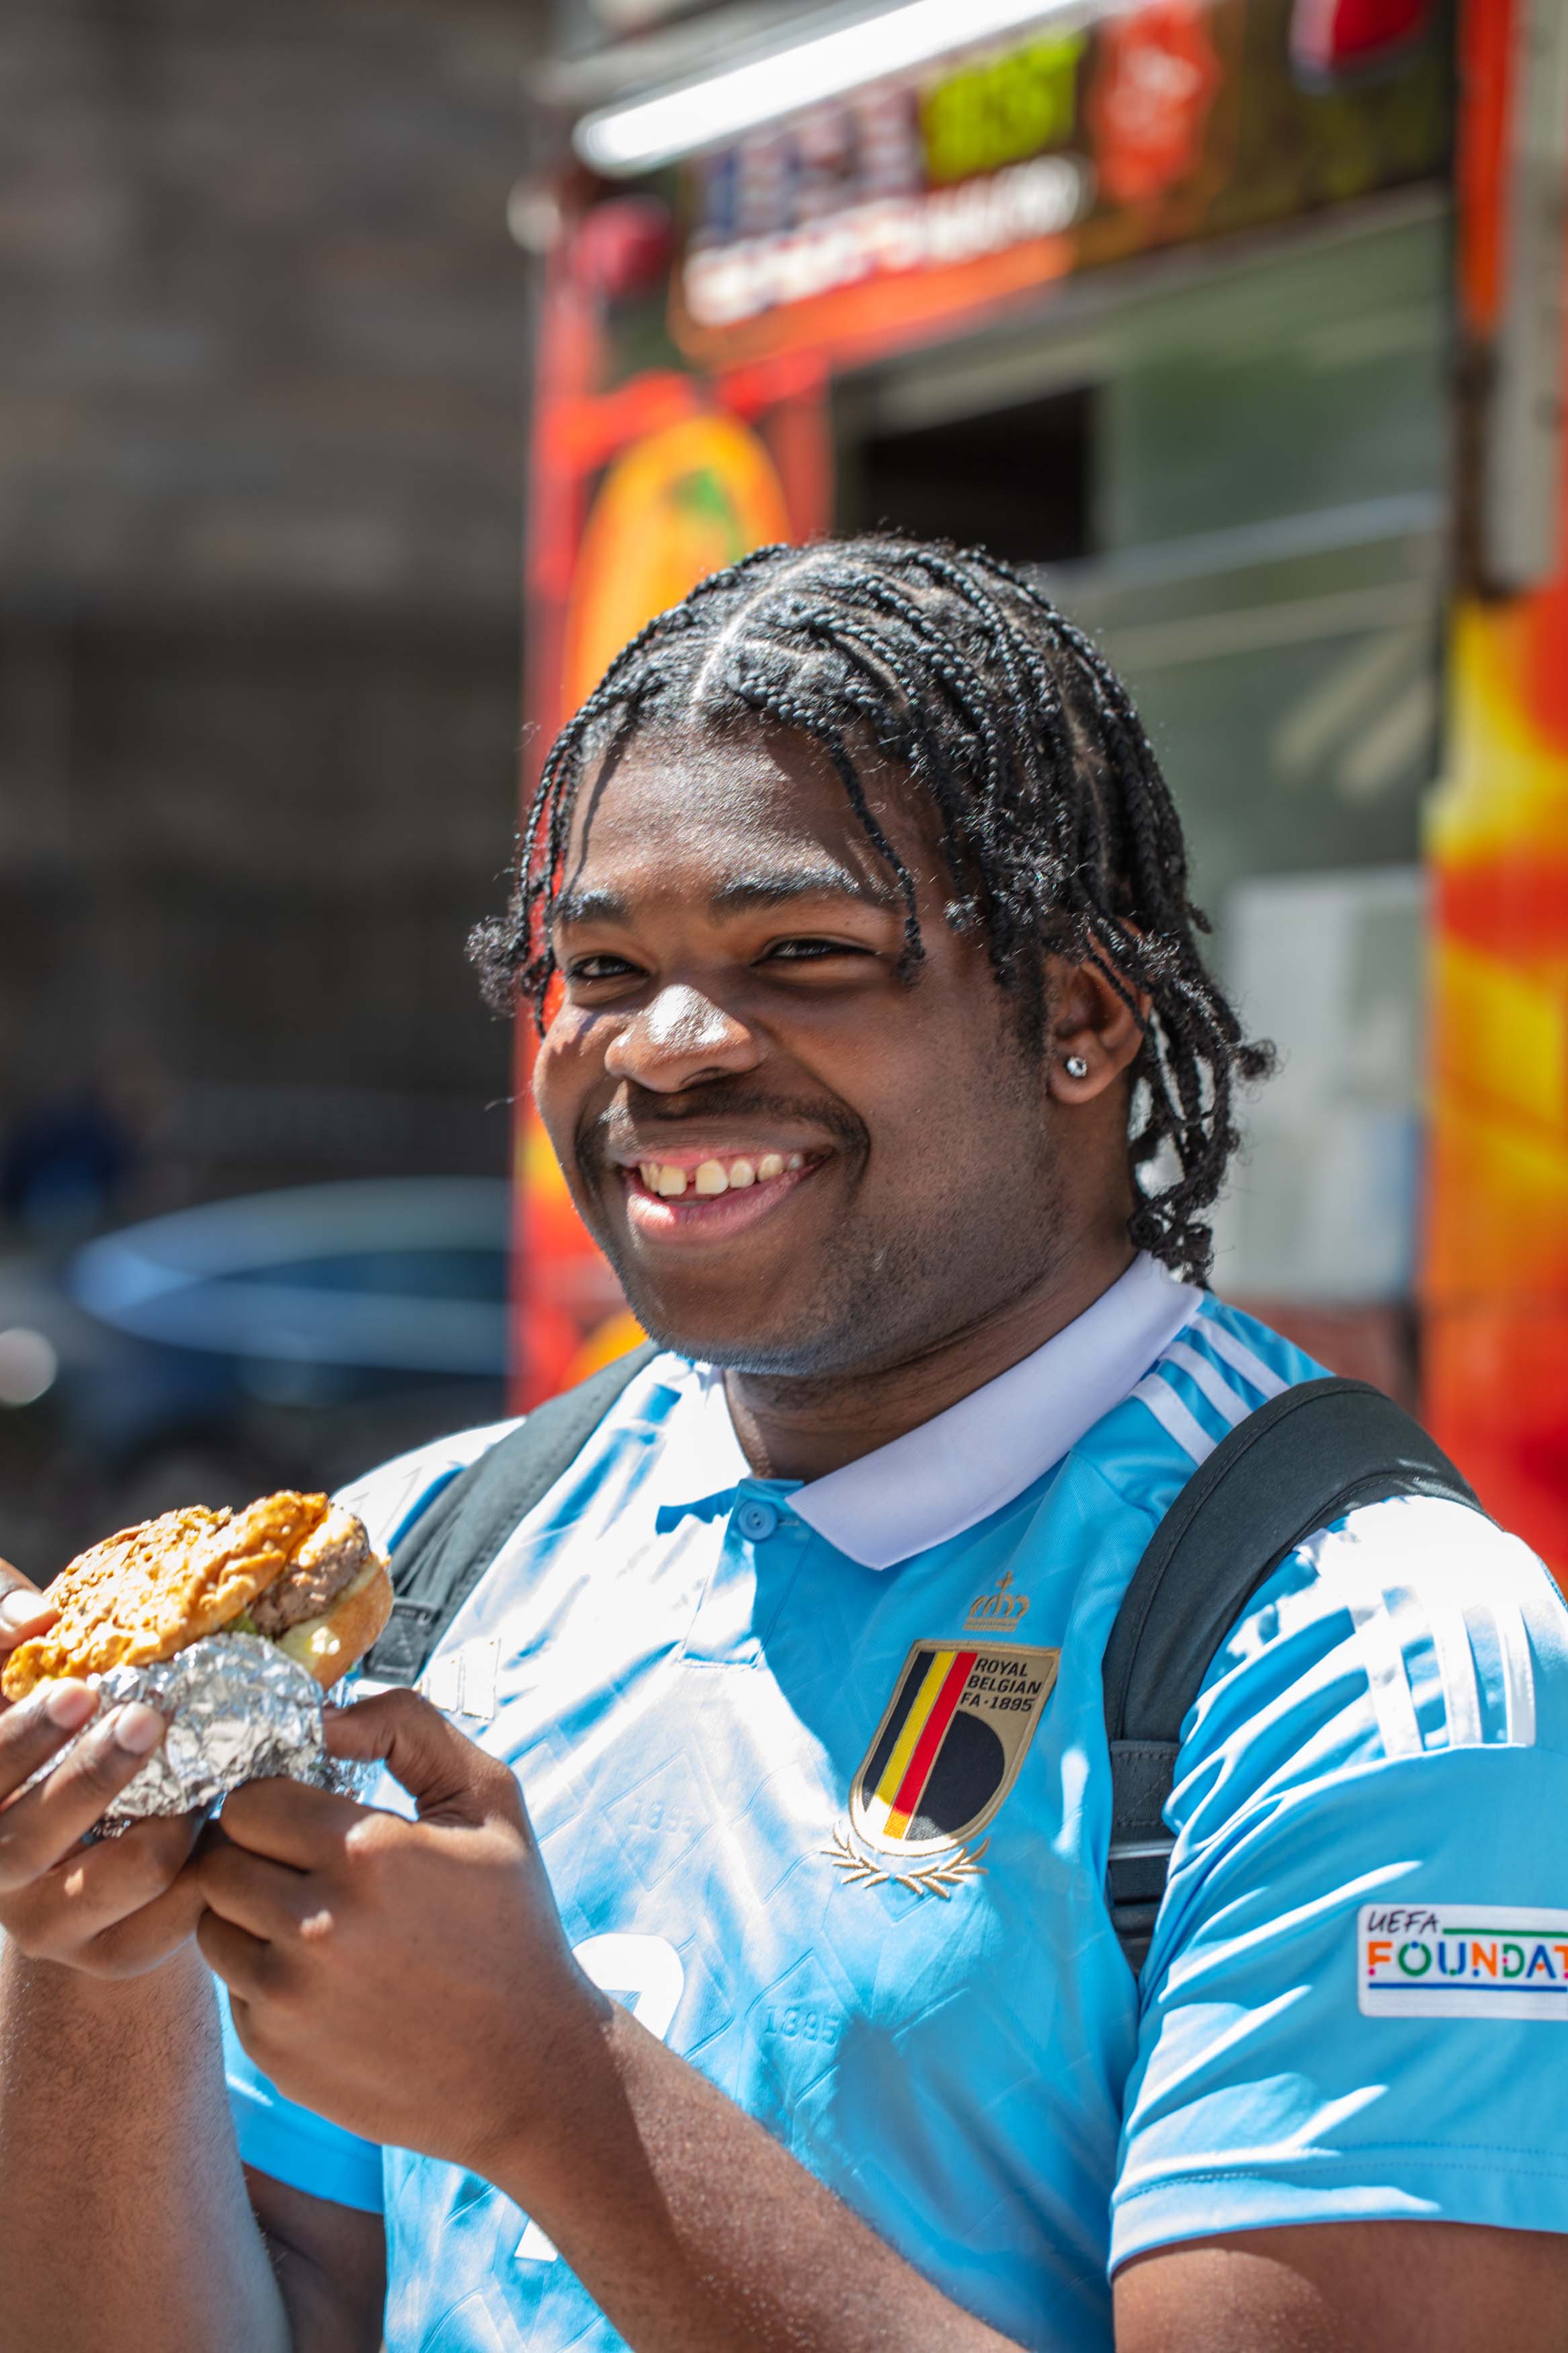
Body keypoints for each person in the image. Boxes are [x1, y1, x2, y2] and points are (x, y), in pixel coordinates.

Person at [3, 536, 1568, 2353]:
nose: (664, 1047)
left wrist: (561, 2100)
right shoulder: (433, 1555)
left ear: (1079, 1015)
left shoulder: (1375, 1665)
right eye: (595, 966)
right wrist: (87, 1957)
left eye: (800, 951)